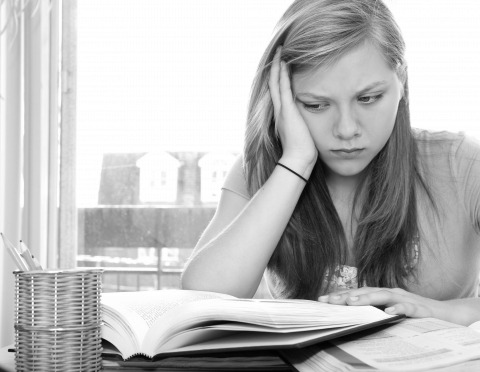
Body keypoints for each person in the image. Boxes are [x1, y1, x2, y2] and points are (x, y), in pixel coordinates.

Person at [181, 0, 480, 326]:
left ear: (402, 83)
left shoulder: (462, 163)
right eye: (316, 105)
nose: (347, 129)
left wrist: (439, 311)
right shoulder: (265, 169)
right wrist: (295, 163)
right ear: (283, 98)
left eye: (368, 98)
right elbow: (204, 298)